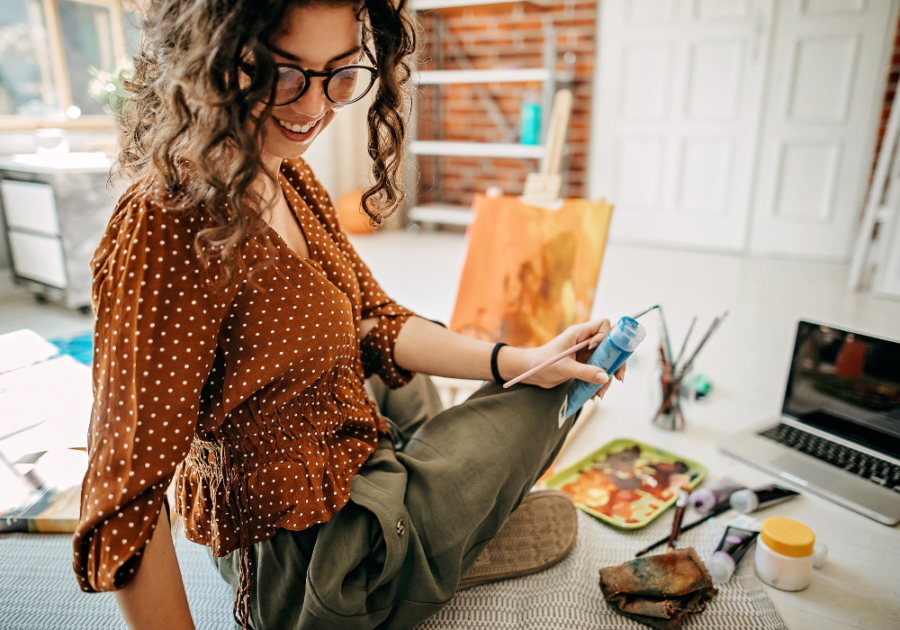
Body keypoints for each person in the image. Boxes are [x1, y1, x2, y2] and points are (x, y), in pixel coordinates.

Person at [72, 0, 624, 628]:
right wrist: (524, 385)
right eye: (282, 75)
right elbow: (126, 492)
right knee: (530, 410)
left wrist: (519, 359)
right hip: (309, 559)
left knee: (439, 377)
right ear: (212, 65)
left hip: (339, 443)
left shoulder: (289, 174)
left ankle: (432, 531)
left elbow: (374, 321)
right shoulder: (168, 224)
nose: (313, 109)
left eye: (338, 75)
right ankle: (422, 545)